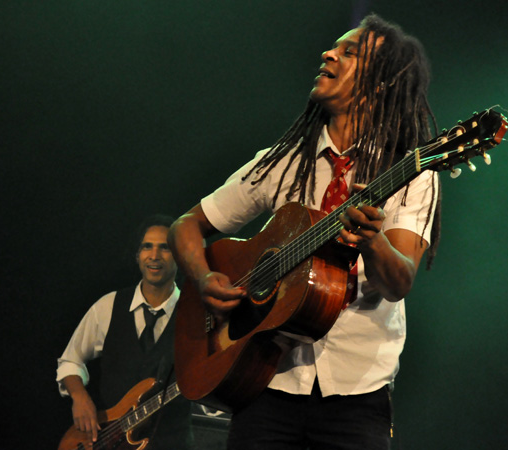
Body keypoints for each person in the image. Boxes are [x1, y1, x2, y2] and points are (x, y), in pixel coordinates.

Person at [168, 14, 441, 450]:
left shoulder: (411, 172)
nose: (328, 53)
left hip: (357, 392)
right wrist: (204, 280)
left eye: (350, 51)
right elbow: (186, 227)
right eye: (335, 47)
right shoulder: (283, 161)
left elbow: (399, 282)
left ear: (382, 82)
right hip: (264, 383)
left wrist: (373, 241)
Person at [56, 214, 193, 450]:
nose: (154, 256)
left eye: (165, 248)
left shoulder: (195, 313)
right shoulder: (109, 306)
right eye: (146, 247)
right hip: (108, 441)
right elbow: (71, 360)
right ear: (137, 255)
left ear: (180, 256)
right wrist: (79, 397)